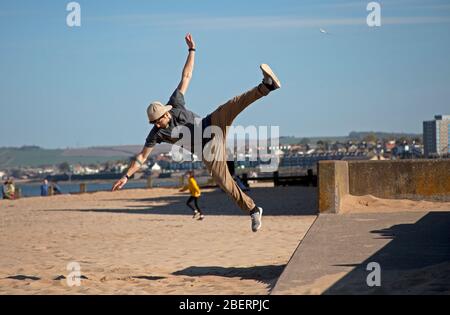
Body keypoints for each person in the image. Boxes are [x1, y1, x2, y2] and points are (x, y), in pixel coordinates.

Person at [112, 33, 281, 232]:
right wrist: (126, 176)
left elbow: (186, 76)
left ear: (165, 113)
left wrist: (192, 50)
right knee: (225, 184)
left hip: (212, 124)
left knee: (233, 104)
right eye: (154, 123)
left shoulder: (174, 103)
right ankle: (253, 211)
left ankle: (267, 86)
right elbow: (141, 157)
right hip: (207, 151)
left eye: (159, 120)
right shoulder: (156, 134)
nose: (158, 125)